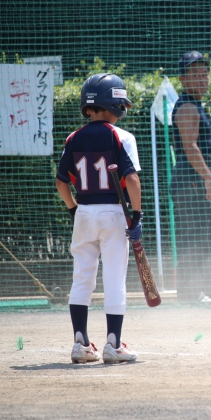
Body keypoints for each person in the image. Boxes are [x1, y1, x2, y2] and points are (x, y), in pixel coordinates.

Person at [56, 73, 142, 364]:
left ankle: (80, 343)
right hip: (113, 212)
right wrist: (137, 216)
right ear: (115, 105)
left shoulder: (73, 138)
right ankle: (113, 344)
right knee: (114, 277)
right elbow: (132, 180)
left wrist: (73, 210)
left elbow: (61, 182)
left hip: (84, 212)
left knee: (82, 277)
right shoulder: (122, 136)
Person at [171, 50, 211, 301]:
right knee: (194, 238)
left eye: (205, 74)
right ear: (183, 79)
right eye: (196, 75)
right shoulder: (188, 106)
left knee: (202, 237)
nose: (203, 79)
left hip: (192, 182)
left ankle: (198, 292)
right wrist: (208, 178)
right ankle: (193, 293)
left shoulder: (194, 104)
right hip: (191, 183)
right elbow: (190, 146)